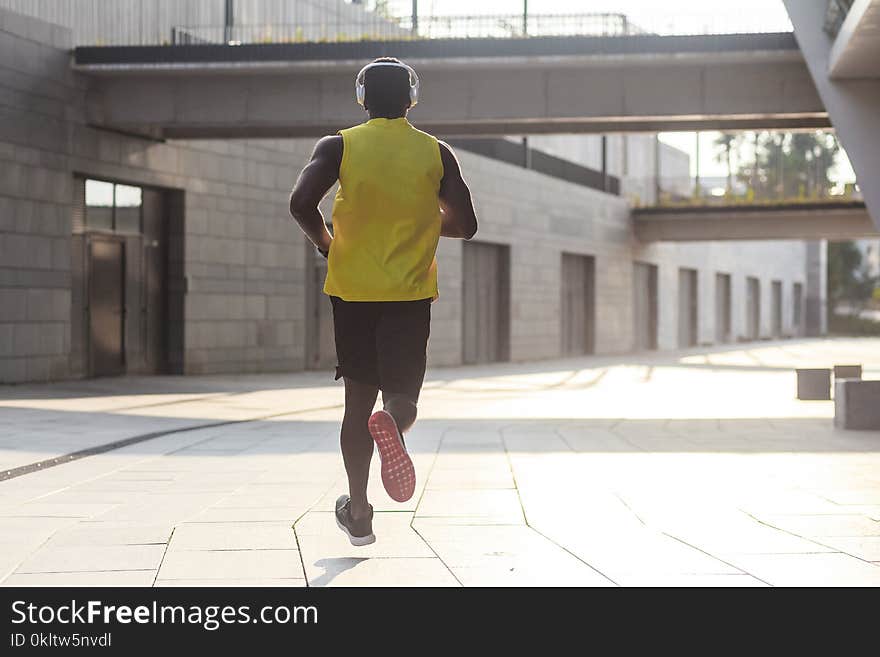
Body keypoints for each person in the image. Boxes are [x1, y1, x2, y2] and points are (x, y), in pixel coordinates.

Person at [289, 57, 478, 546]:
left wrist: (326, 242)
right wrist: (419, 220)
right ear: (412, 99)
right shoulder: (436, 153)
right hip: (409, 294)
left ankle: (359, 510)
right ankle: (391, 423)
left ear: (362, 98)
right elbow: (467, 224)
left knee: (356, 404)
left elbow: (300, 203)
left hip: (351, 292)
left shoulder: (339, 145)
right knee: (402, 397)